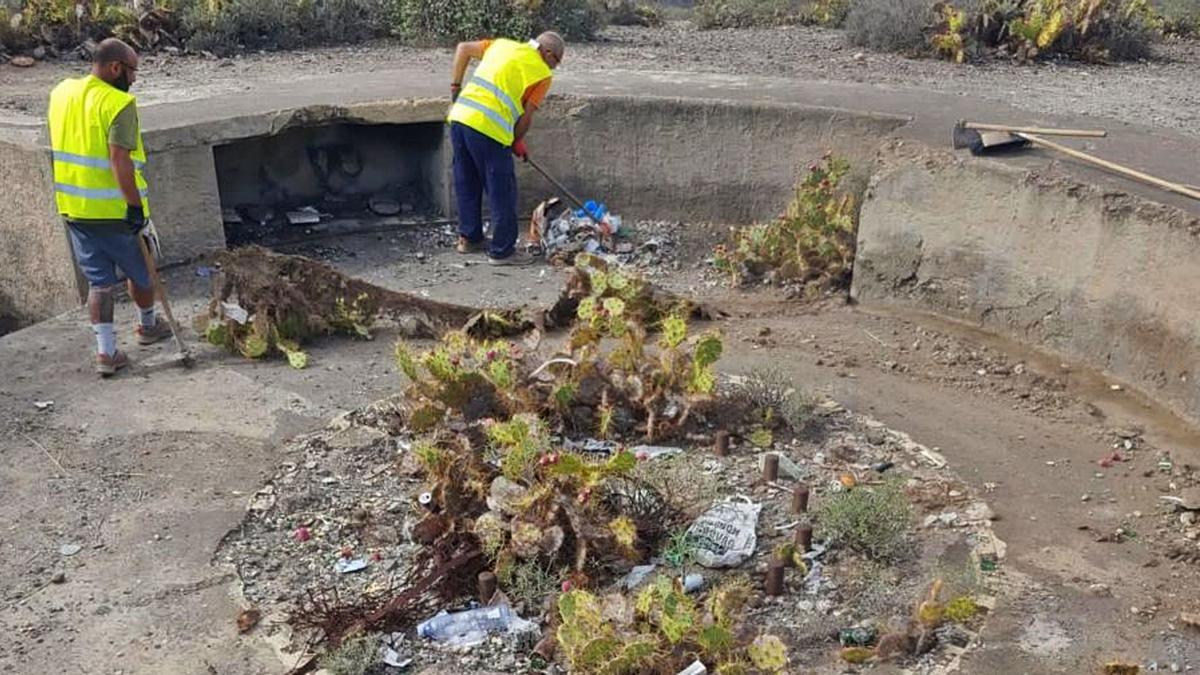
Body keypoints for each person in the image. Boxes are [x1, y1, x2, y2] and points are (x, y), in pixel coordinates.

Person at [47, 38, 169, 376]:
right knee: (142, 270)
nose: (134, 79)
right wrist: (134, 208)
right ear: (116, 68)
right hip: (114, 211)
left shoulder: (62, 93)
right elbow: (120, 160)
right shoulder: (118, 104)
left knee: (99, 282)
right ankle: (147, 326)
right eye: (132, 72)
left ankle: (107, 353)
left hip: (74, 209)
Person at [447, 31, 565, 266]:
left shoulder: (501, 45)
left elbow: (462, 48)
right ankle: (502, 251)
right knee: (502, 189)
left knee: (467, 181)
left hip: (460, 118)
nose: (554, 67)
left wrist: (455, 88)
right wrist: (515, 140)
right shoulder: (542, 73)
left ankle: (469, 239)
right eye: (556, 61)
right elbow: (526, 116)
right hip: (489, 130)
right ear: (548, 53)